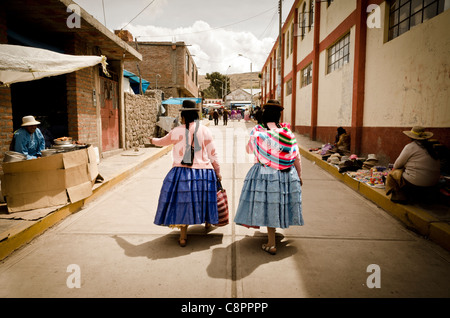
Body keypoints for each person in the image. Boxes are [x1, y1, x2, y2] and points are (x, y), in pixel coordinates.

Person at [234, 99, 304, 255]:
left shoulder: (258, 131)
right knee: (280, 201)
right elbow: (296, 156)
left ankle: (271, 243)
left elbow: (248, 150)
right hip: (287, 172)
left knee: (270, 202)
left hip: (266, 172)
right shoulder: (287, 132)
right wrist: (299, 175)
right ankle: (276, 233)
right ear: (279, 115)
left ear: (264, 114)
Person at [150, 100, 222, 247]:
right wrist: (217, 171)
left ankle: (183, 237)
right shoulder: (205, 130)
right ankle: (208, 223)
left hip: (182, 173)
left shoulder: (176, 131)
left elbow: (161, 142)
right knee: (205, 198)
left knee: (183, 203)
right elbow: (213, 153)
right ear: (196, 115)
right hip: (204, 173)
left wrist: (152, 139)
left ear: (183, 116)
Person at [385, 126, 441, 203]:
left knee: (392, 174)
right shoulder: (431, 147)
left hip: (415, 184)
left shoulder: (410, 147)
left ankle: (400, 196)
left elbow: (396, 165)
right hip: (433, 183)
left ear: (411, 137)